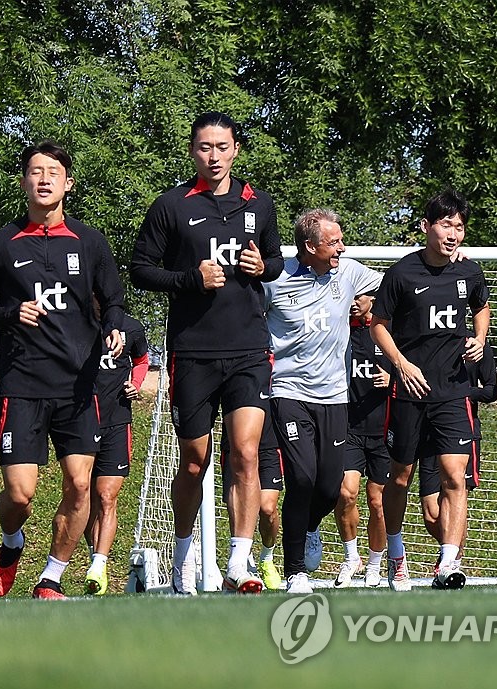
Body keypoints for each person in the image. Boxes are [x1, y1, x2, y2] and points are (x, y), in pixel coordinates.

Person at [129, 112, 283, 594]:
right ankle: (182, 556)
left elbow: (276, 261)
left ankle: (238, 562)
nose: (212, 156)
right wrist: (190, 280)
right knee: (194, 460)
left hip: (249, 349)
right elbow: (140, 268)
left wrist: (263, 266)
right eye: (203, 147)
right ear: (193, 151)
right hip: (192, 351)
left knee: (245, 451)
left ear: (236, 149)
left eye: (221, 146)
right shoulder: (172, 206)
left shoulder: (259, 204)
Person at [0, 141, 125, 600]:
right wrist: (11, 312)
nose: (43, 179)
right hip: (23, 382)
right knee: (20, 494)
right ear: (23, 182)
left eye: (52, 172)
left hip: (79, 385)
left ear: (67, 183)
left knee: (80, 484)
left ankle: (52, 576)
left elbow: (113, 301)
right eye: (35, 172)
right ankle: (12, 542)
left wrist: (114, 328)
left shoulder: (90, 241)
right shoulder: (0, 243)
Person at [370, 189, 490, 591]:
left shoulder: (470, 272)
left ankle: (448, 563)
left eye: (458, 225)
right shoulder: (402, 273)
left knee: (455, 476)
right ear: (426, 227)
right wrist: (401, 364)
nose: (452, 233)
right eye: (445, 224)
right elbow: (378, 324)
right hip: (408, 392)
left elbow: (480, 306)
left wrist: (481, 337)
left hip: (454, 390)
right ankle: (397, 557)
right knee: (400, 477)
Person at [264, 208, 382, 594]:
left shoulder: (347, 272)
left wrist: (449, 258)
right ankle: (294, 569)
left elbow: (397, 283)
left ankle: (308, 526)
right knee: (301, 477)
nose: (341, 247)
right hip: (288, 391)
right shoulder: (276, 276)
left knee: (331, 487)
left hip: (334, 396)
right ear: (309, 246)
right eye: (333, 242)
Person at [418, 333, 497, 584]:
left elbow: (491, 390)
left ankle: (451, 564)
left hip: (461, 430)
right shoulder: (430, 342)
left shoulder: (477, 346)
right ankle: (447, 556)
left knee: (455, 493)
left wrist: (458, 392)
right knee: (431, 512)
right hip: (427, 430)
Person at [83, 313, 149, 595]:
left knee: (106, 496)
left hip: (117, 420)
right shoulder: (76, 321)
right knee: (82, 497)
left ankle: (99, 565)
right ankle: (93, 552)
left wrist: (135, 383)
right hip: (80, 423)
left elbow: (142, 359)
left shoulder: (132, 326)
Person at [333, 291, 390, 588]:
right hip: (350, 430)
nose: (353, 301)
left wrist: (394, 380)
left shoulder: (387, 332)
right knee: (346, 493)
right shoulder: (341, 330)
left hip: (383, 431)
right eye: (350, 296)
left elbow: (413, 368)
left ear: (373, 299)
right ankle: (351, 556)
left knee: (377, 501)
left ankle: (375, 564)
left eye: (361, 296)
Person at [220, 419, 284, 591]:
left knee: (268, 509)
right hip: (235, 445)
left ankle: (266, 557)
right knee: (240, 508)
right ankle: (242, 561)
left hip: (269, 444)